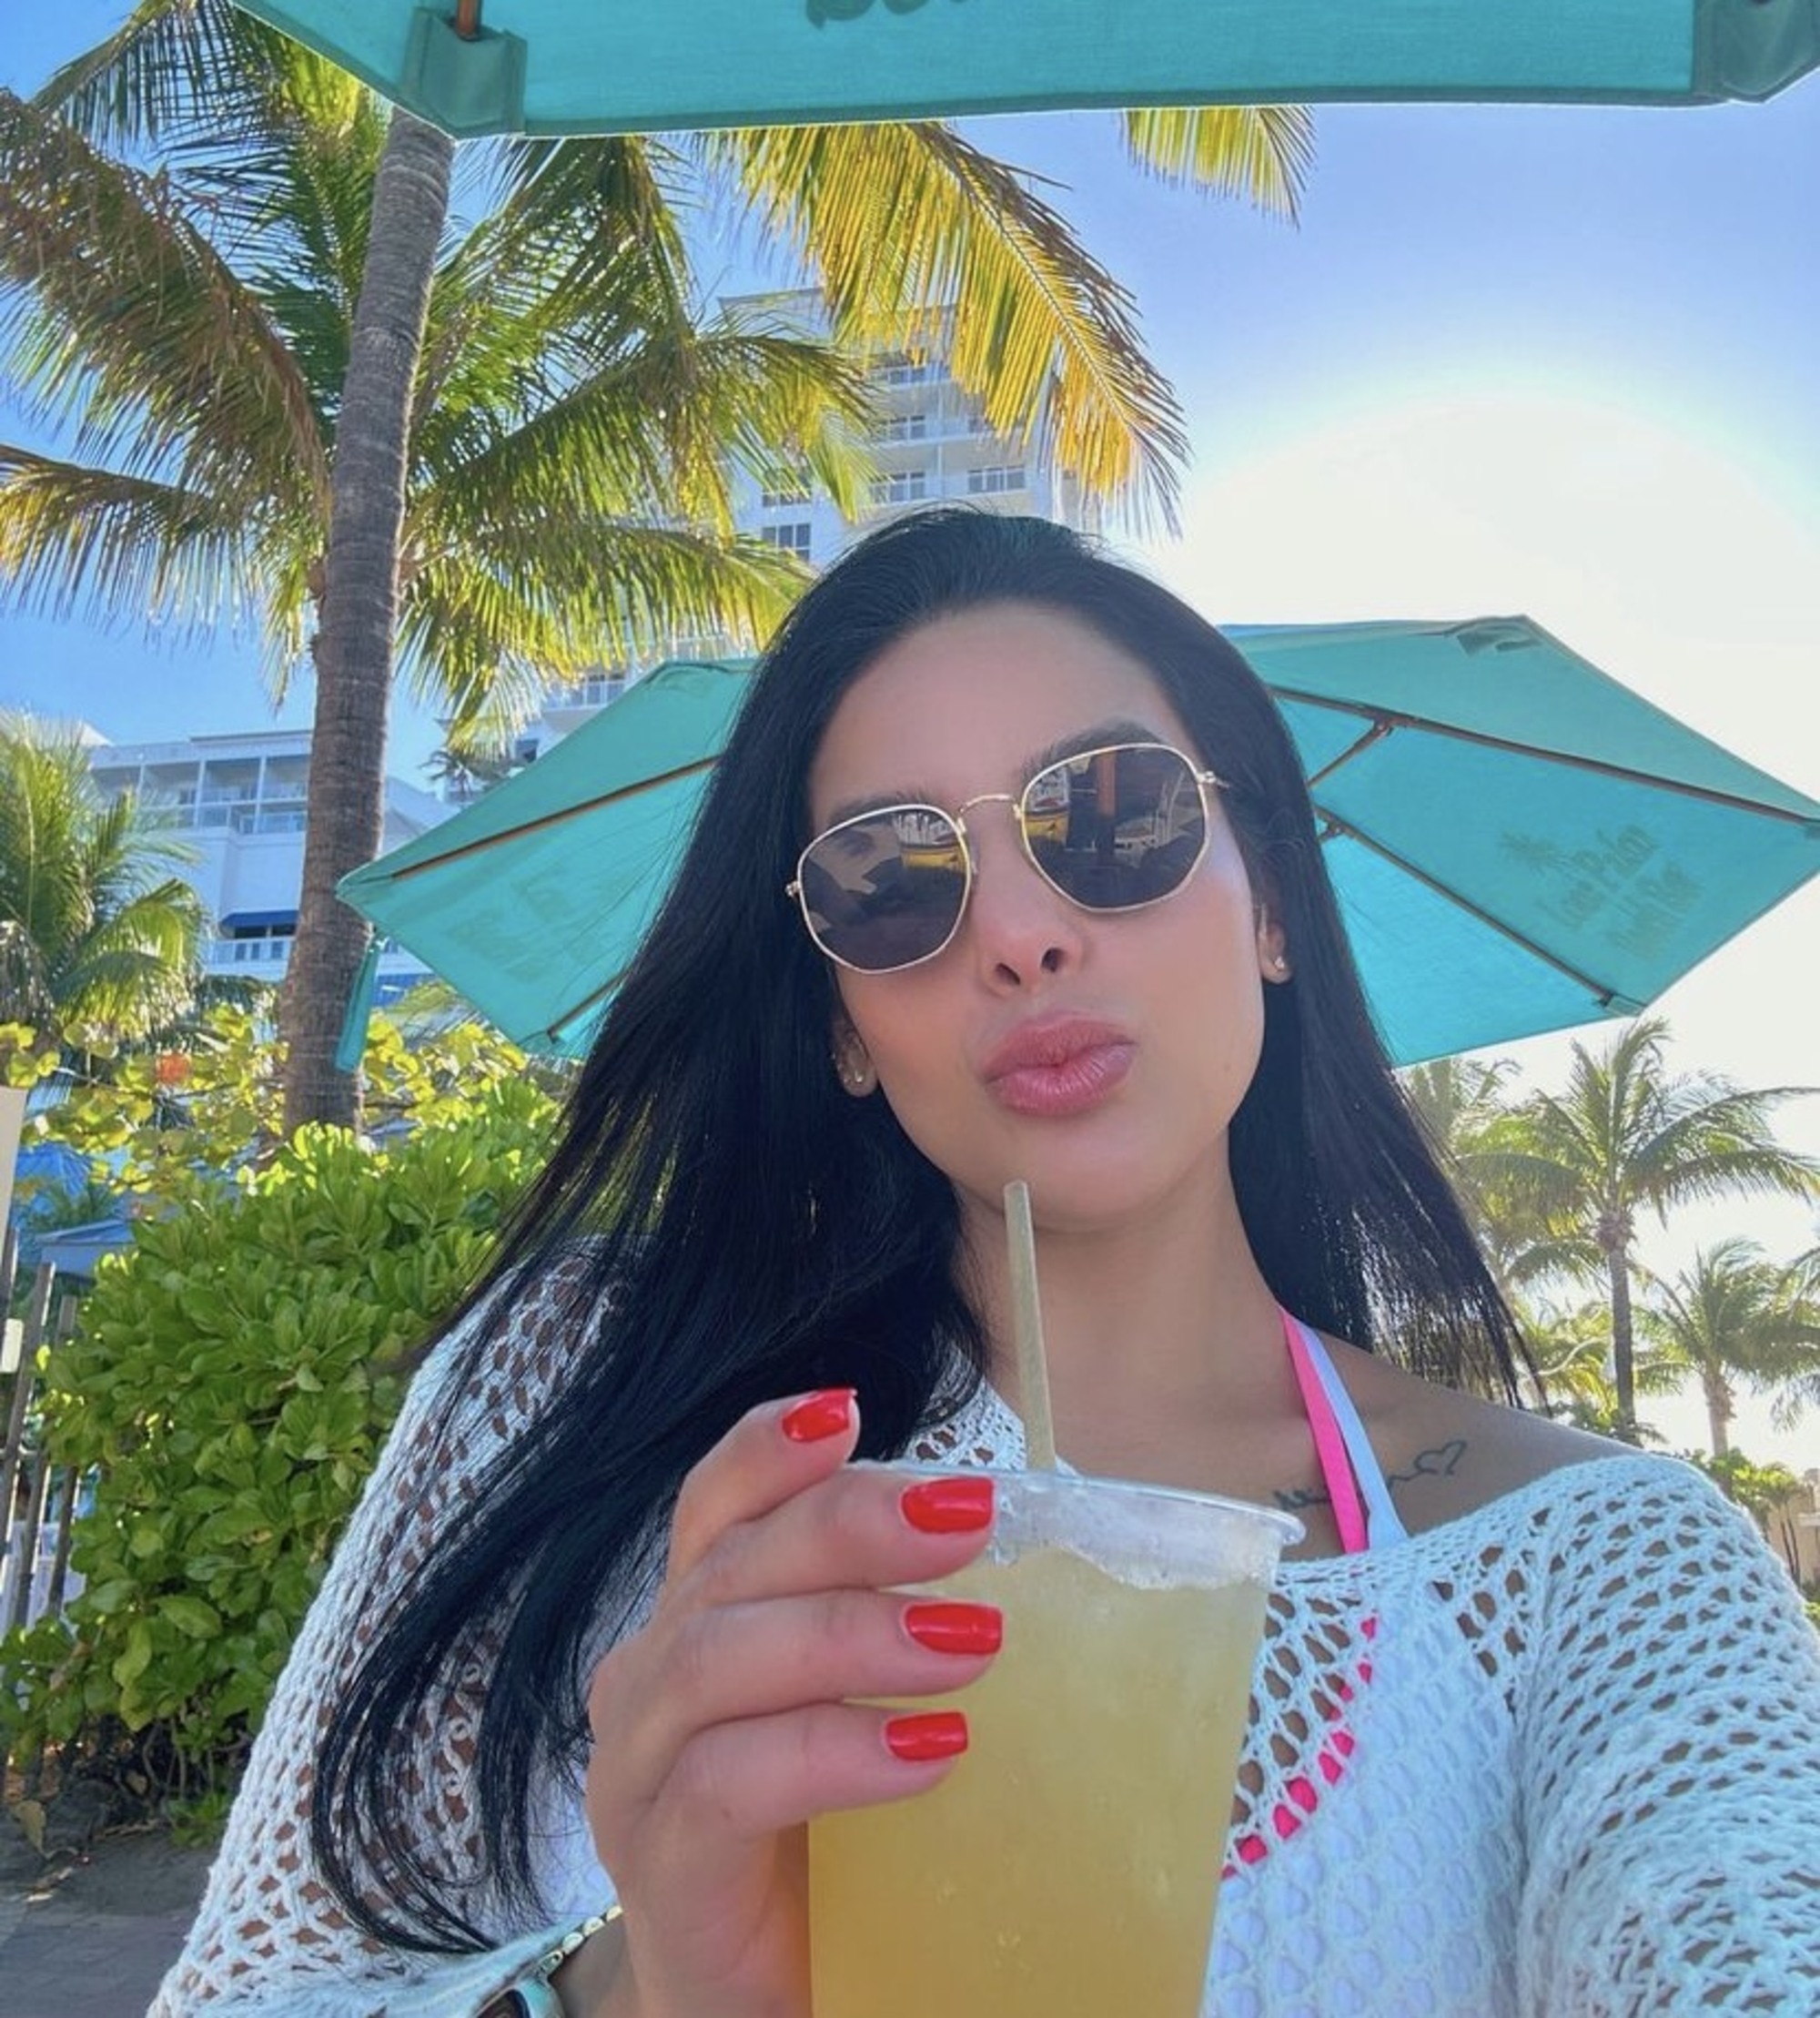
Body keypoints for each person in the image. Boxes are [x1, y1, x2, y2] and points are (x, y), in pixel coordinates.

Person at [155, 508, 1820, 2017]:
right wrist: (641, 1991)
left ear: (1270, 906)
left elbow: (1734, 1918)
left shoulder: (1599, 1566)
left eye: (1115, 813)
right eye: (892, 879)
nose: (1019, 934)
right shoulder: (583, 1389)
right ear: (846, 1025)